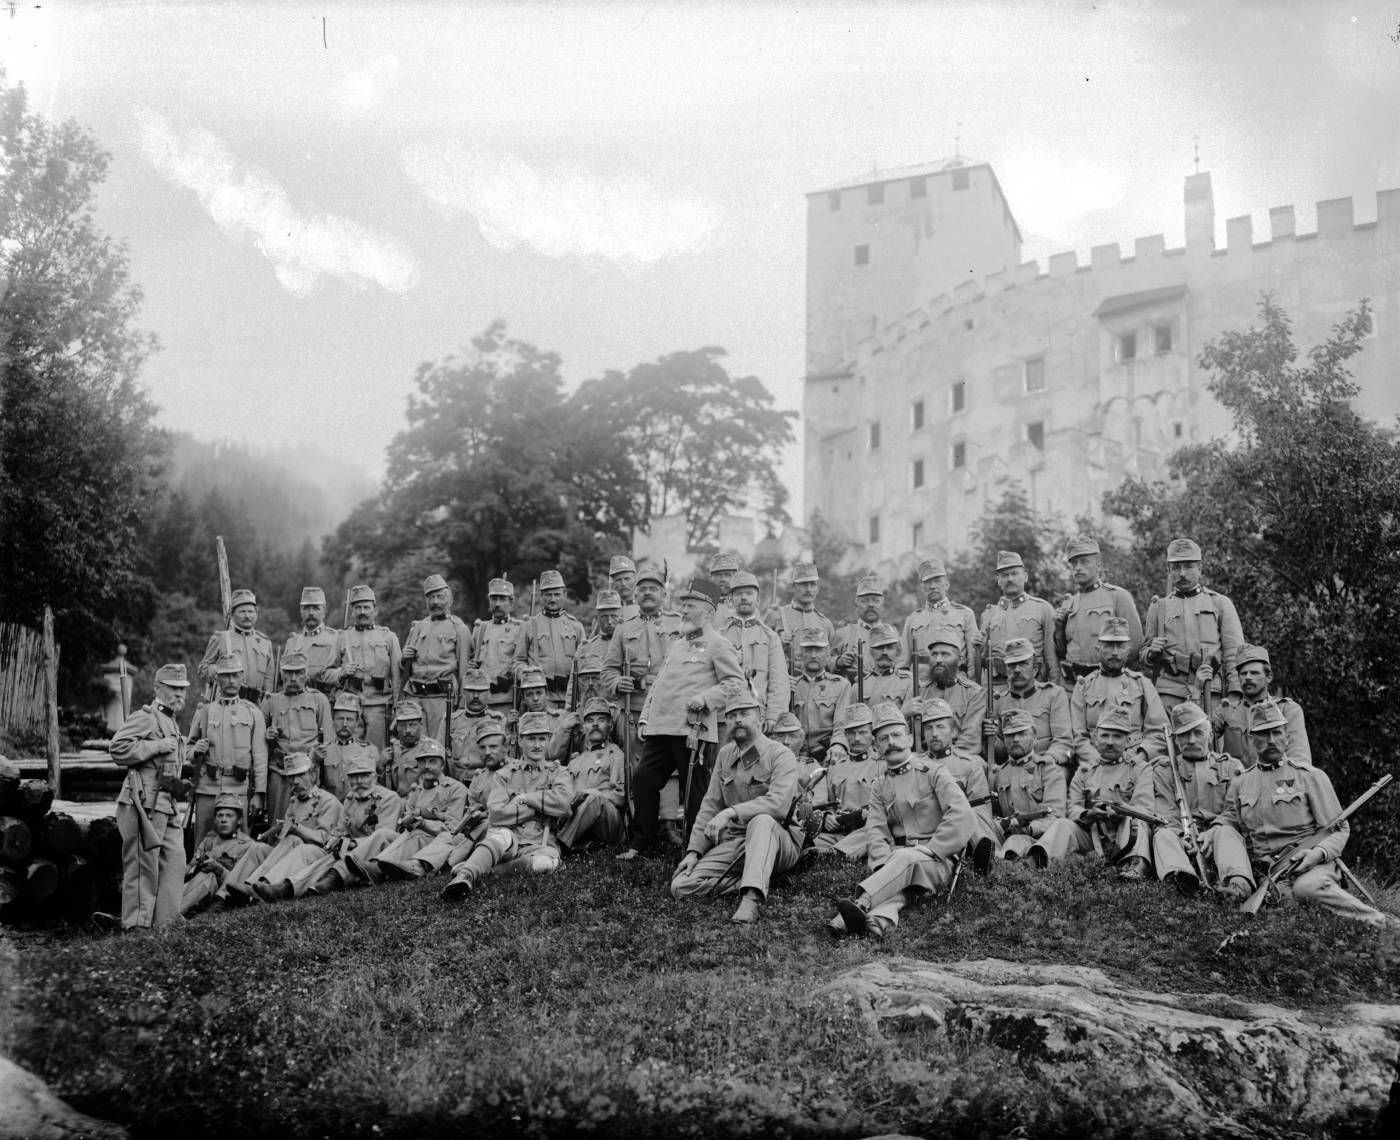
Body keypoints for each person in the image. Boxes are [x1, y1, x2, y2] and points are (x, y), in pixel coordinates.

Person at [1212, 701, 1394, 926]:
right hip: (1267, 871)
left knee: (1306, 887)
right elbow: (1231, 822)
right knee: (1282, 906)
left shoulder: (1310, 776)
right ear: (1251, 739)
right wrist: (1211, 833)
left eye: (1276, 732)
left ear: (1286, 735)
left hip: (1312, 862)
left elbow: (1339, 828)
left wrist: (1317, 854)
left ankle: (1381, 922)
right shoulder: (1241, 783)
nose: (1271, 740)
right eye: (1263, 734)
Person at [618, 579, 746, 859]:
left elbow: (735, 683)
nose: (684, 610)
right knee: (643, 780)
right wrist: (646, 718)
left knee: (695, 794)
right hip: (661, 728)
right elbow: (660, 683)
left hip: (693, 730)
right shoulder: (677, 644)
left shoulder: (718, 644)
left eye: (691, 605)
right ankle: (641, 843)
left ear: (709, 612)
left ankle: (696, 847)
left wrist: (706, 699)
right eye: (684, 605)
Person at [826, 703, 974, 939]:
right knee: (899, 865)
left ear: (909, 739)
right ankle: (877, 923)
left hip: (937, 861)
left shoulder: (934, 773)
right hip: (899, 860)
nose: (891, 742)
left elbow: (962, 816)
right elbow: (875, 831)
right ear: (877, 746)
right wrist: (883, 864)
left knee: (904, 858)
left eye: (896, 735)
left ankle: (861, 902)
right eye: (883, 738)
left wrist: (932, 849)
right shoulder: (879, 786)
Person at [670, 690, 800, 923]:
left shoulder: (781, 755)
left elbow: (778, 805)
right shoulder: (725, 755)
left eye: (745, 713)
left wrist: (731, 812)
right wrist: (694, 851)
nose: (738, 719)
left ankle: (751, 900)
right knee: (681, 886)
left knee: (761, 821)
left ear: (759, 718)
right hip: (738, 842)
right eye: (732, 715)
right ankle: (761, 876)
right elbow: (710, 805)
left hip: (779, 841)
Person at [441, 711, 574, 900]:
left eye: (542, 738)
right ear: (520, 740)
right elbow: (496, 814)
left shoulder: (559, 772)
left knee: (545, 863)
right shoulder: (505, 774)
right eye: (531, 739)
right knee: (500, 836)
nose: (537, 745)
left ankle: (489, 871)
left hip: (541, 842)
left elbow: (565, 805)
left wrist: (526, 798)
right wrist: (541, 807)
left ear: (549, 739)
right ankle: (464, 877)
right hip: (510, 838)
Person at [601, 564, 684, 845]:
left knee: (671, 767)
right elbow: (608, 670)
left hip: (670, 709)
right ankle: (639, 826)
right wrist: (617, 683)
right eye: (643, 589)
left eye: (653, 589)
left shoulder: (679, 624)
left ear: (664, 593)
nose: (648, 593)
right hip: (635, 709)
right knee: (638, 770)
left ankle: (670, 824)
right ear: (635, 595)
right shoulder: (624, 629)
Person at [108, 663, 194, 930]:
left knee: (176, 860)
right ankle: (136, 925)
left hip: (166, 804)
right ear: (158, 688)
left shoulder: (171, 721)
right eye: (174, 688)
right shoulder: (146, 717)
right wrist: (155, 745)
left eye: (182, 689)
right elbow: (117, 748)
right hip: (143, 802)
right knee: (143, 866)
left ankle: (165, 923)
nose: (180, 694)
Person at [1029, 705, 1153, 875]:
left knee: (1136, 820)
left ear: (1128, 740)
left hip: (1127, 837)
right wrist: (1089, 814)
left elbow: (1145, 808)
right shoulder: (1084, 771)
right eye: (1105, 735)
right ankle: (1036, 861)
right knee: (1063, 824)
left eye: (1117, 736)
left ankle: (1134, 866)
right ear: (1095, 738)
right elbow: (1072, 808)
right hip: (1094, 840)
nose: (1110, 742)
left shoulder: (1140, 769)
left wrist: (1122, 812)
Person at [1136, 701, 1245, 894]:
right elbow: (1166, 813)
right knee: (1163, 835)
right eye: (1184, 735)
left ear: (1210, 735)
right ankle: (1181, 880)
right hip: (1183, 842)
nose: (1192, 740)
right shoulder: (1164, 771)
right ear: (1176, 740)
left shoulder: (1231, 766)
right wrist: (1182, 836)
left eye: (1198, 733)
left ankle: (1237, 884)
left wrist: (1212, 832)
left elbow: (1234, 811)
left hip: (1218, 839)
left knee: (1227, 833)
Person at [219, 750, 344, 904]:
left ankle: (258, 885)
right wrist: (275, 833)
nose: (295, 781)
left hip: (314, 857)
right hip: (292, 856)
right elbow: (283, 843)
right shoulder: (293, 802)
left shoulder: (328, 801)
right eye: (291, 777)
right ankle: (222, 896)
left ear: (312, 775)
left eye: (300, 775)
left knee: (293, 839)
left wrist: (297, 828)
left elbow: (326, 841)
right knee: (257, 848)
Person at [1140, 538, 1245, 711]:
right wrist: (1151, 653)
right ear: (1168, 570)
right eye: (1176, 568)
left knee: (1207, 737)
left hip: (1210, 691)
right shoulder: (1158, 607)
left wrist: (1234, 693)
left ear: (1200, 568)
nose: (1182, 573)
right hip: (1169, 692)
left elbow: (1235, 653)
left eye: (1188, 566)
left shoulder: (1219, 604)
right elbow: (1143, 655)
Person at [1068, 617, 1169, 772]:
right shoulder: (1083, 687)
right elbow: (1078, 735)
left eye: (1120, 646)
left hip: (1135, 762)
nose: (1115, 652)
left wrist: (1138, 758)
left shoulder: (1141, 684)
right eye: (1108, 645)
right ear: (1098, 648)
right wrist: (1097, 761)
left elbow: (1159, 732)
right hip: (1094, 765)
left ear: (1128, 649)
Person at [186, 652, 267, 841]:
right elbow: (187, 750)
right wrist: (196, 750)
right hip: (207, 788)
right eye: (225, 675)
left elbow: (261, 757)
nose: (231, 680)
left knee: (240, 844)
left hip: (238, 788)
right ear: (217, 678)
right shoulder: (204, 711)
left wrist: (259, 794)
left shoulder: (253, 713)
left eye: (235, 675)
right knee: (202, 841)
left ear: (242, 678)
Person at [305, 750, 404, 894]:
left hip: (381, 855)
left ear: (375, 777)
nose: (359, 782)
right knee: (328, 855)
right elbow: (341, 829)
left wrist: (351, 844)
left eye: (364, 776)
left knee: (378, 836)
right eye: (354, 777)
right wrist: (335, 839)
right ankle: (292, 886)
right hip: (355, 853)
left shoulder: (389, 798)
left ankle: (334, 878)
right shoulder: (350, 799)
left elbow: (382, 839)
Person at [918, 698, 999, 873]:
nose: (934, 734)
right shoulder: (915, 766)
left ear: (954, 732)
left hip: (960, 832)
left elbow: (982, 814)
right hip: (923, 833)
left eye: (940, 727)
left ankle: (982, 860)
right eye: (928, 728)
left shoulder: (969, 766)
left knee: (970, 813)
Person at [1054, 536, 1143, 688]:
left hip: (1107, 683)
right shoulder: (1069, 603)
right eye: (1074, 563)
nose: (1078, 567)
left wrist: (1112, 675)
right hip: (1072, 686)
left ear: (1099, 565)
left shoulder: (1118, 596)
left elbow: (1134, 645)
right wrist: (1058, 629)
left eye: (1084, 561)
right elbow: (1062, 652)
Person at [1211, 644, 1312, 769]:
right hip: (1237, 785)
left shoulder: (1287, 709)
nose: (1247, 677)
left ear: (1268, 677)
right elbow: (1200, 734)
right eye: (1243, 674)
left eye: (1254, 673)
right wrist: (1197, 689)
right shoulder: (1227, 710)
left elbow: (1299, 759)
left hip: (1277, 784)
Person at [261, 651, 332, 825]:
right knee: (278, 822)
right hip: (280, 771)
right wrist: (268, 735)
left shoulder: (319, 700)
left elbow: (329, 739)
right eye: (288, 672)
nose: (293, 678)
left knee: (309, 820)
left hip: (309, 770)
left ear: (306, 674)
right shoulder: (270, 701)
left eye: (298, 672)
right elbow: (258, 742)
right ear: (281, 674)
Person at [988, 708, 1068, 861]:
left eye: (1022, 733)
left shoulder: (1049, 770)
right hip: (1009, 836)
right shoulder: (998, 774)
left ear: (1035, 737)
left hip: (1044, 839)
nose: (1016, 739)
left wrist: (1030, 828)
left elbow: (1056, 817)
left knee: (1015, 842)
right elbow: (995, 814)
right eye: (1010, 735)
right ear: (1004, 739)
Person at [402, 573, 472, 745]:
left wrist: (462, 704)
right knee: (413, 747)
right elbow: (406, 668)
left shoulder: (459, 629)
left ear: (450, 599)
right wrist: (404, 658)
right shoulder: (418, 628)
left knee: (437, 747)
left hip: (442, 698)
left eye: (439, 596)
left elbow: (464, 671)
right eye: (431, 597)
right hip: (416, 697)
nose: (435, 602)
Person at [975, 551, 1059, 691]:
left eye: (1014, 573)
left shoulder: (1043, 609)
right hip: (998, 689)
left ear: (1025, 576)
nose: (1010, 579)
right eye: (1004, 575)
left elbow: (1052, 659)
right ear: (998, 580)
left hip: (1033, 687)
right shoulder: (989, 614)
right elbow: (983, 661)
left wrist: (1054, 692)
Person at [984, 638, 1072, 771]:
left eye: (1023, 663)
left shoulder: (1054, 695)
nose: (1017, 670)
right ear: (1006, 669)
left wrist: (1044, 761)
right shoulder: (997, 701)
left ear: (1035, 669)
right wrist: (992, 738)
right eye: (1012, 665)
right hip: (1012, 768)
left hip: (1047, 766)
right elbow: (999, 754)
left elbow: (1064, 742)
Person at [333, 584, 401, 751]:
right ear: (352, 611)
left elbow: (397, 677)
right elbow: (327, 672)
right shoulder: (342, 637)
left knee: (376, 754)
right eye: (358, 608)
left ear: (375, 610)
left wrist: (398, 708)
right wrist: (342, 672)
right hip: (350, 707)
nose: (362, 612)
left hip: (379, 706)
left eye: (366, 607)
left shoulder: (389, 637)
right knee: (348, 753)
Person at [808, 703, 881, 859]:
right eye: (851, 733)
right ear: (845, 735)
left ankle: (835, 855)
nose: (856, 738)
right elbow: (826, 802)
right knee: (809, 840)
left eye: (862, 732)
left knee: (874, 832)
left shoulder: (882, 765)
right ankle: (830, 852)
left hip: (865, 828)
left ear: (872, 734)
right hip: (840, 829)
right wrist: (827, 816)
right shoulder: (835, 767)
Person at [556, 698, 629, 849]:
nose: (595, 724)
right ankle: (583, 845)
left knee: (594, 799)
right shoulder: (575, 760)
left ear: (610, 725)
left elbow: (620, 797)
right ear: (584, 727)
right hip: (581, 820)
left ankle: (560, 845)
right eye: (590, 720)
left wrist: (593, 794)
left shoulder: (615, 754)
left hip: (609, 822)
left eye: (601, 720)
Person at [722, 570, 789, 730]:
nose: (744, 597)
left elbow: (778, 681)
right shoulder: (720, 636)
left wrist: (773, 716)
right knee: (724, 755)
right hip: (725, 716)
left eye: (749, 593)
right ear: (731, 600)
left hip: (758, 716)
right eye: (738, 594)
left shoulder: (770, 637)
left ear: (757, 600)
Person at [513, 569, 585, 709]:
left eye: (557, 594)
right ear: (541, 596)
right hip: (541, 698)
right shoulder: (529, 625)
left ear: (564, 594)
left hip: (571, 696)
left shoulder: (576, 626)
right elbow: (517, 662)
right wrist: (527, 675)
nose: (553, 599)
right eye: (548, 595)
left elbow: (585, 661)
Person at [901, 558, 978, 683]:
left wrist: (971, 685)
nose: (932, 586)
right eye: (928, 582)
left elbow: (973, 659)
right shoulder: (912, 619)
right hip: (922, 684)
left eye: (937, 581)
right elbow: (902, 663)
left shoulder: (965, 614)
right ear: (921, 588)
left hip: (956, 681)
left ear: (947, 584)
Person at [181, 793, 255, 916]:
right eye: (220, 815)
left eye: (229, 816)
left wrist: (218, 869)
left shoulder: (247, 845)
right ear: (215, 820)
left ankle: (175, 913)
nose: (224, 820)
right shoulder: (209, 841)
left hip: (225, 897)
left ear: (239, 820)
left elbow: (241, 885)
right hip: (198, 890)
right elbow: (189, 867)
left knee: (209, 877)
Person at [197, 588, 274, 700]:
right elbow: (203, 670)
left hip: (256, 706)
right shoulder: (221, 638)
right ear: (232, 614)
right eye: (242, 612)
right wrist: (223, 671)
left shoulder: (265, 642)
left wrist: (267, 701)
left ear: (256, 613)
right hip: (226, 702)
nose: (247, 616)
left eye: (250, 611)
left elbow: (269, 678)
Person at [915, 633, 985, 754]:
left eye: (945, 654)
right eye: (934, 654)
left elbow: (970, 740)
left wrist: (948, 761)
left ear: (960, 660)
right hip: (927, 760)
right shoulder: (919, 692)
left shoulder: (974, 693)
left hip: (962, 759)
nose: (938, 660)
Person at [792, 627, 852, 762]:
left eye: (818, 650)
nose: (813, 655)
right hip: (796, 754)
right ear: (800, 654)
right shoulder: (791, 685)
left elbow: (841, 724)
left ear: (828, 654)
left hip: (829, 754)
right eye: (808, 650)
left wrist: (838, 745)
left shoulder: (841, 685)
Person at [765, 561, 836, 670]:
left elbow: (830, 663)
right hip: (785, 680)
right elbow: (759, 652)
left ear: (817, 588)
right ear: (793, 587)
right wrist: (778, 642)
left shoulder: (825, 624)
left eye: (812, 584)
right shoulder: (776, 616)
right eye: (803, 584)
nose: (808, 589)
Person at [472, 576, 521, 717]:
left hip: (507, 700)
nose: (497, 604)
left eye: (502, 599)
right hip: (481, 700)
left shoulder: (519, 629)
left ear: (511, 602)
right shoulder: (480, 629)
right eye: (494, 599)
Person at [321, 692, 379, 801]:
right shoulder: (323, 751)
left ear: (357, 722)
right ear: (333, 720)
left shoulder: (368, 750)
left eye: (350, 719)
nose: (344, 724)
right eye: (340, 719)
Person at [283, 586, 339, 696]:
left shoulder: (336, 638)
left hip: (326, 701)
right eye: (307, 608)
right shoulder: (292, 642)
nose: (311, 613)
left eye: (316, 608)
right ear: (300, 611)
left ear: (324, 611)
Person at [832, 574, 888, 683]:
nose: (870, 605)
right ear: (857, 602)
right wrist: (838, 662)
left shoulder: (893, 635)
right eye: (865, 600)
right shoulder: (842, 634)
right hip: (853, 695)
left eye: (875, 600)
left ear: (882, 603)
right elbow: (823, 661)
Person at [448, 670, 501, 780]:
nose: (476, 696)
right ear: (463, 693)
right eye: (471, 691)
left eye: (481, 691)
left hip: (487, 782)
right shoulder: (450, 721)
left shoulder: (497, 721)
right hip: (456, 782)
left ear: (489, 693)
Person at [860, 623, 914, 712]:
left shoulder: (909, 682)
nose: (885, 652)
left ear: (898, 651)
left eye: (890, 647)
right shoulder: (859, 685)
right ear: (871, 651)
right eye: (879, 647)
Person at [383, 699, 430, 796]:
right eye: (403, 725)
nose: (407, 730)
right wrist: (380, 765)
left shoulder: (430, 749)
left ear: (420, 725)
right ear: (397, 727)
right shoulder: (391, 748)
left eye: (412, 725)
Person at [581, 590, 624, 663]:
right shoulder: (586, 648)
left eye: (614, 616)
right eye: (604, 617)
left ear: (621, 616)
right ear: (597, 618)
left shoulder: (630, 645)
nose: (609, 621)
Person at [609, 554, 640, 620]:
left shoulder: (647, 610)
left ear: (635, 579)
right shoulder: (606, 613)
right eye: (618, 580)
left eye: (627, 579)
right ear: (613, 582)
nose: (623, 583)